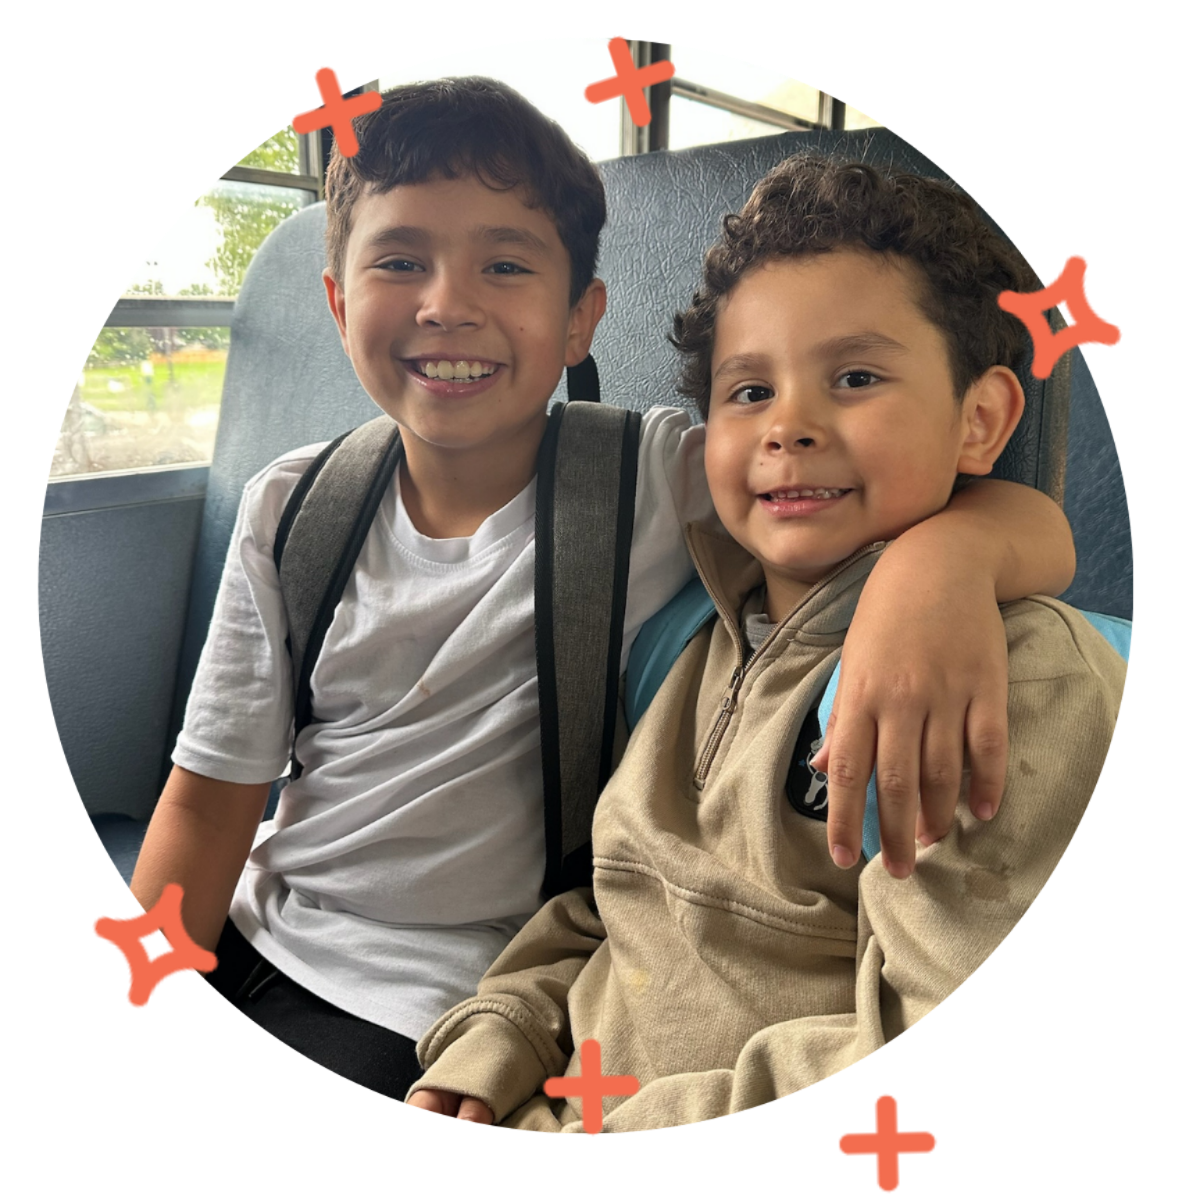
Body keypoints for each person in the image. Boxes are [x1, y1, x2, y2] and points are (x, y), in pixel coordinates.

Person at [129, 83, 1077, 1102]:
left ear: (583, 317)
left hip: (420, 1000)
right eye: (400, 261)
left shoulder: (667, 475)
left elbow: (1013, 520)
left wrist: (944, 566)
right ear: (336, 301)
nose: (448, 302)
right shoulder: (296, 506)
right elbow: (210, 801)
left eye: (504, 264)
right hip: (255, 922)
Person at [404, 155, 1127, 1135]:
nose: (789, 425)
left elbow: (940, 1062)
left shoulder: (1009, 677)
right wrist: (501, 1033)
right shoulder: (690, 635)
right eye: (747, 393)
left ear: (982, 418)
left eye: (857, 377)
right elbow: (614, 896)